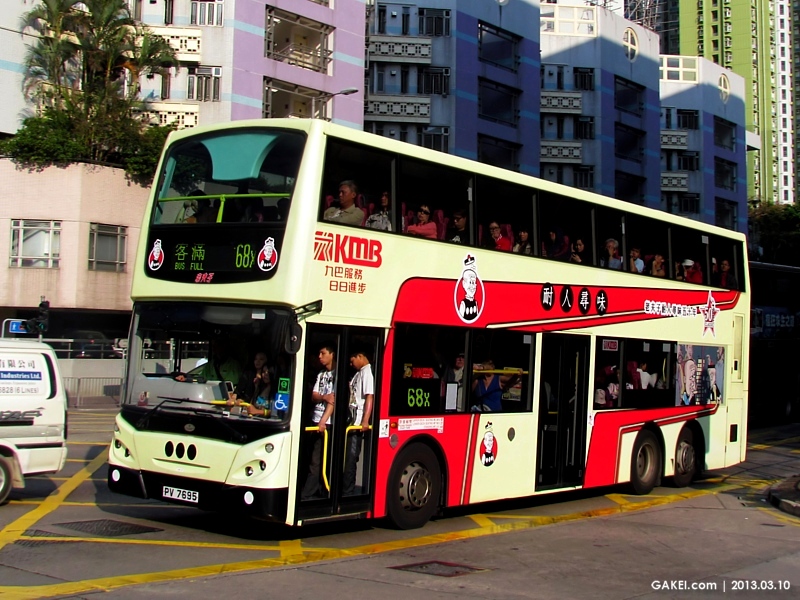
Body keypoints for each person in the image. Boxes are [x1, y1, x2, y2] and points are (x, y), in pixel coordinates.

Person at [301, 343, 336, 500]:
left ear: (332, 354)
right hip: (315, 420)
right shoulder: (321, 374)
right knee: (313, 457)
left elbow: (332, 402)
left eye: (323, 353)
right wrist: (323, 397)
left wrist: (323, 421)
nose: (319, 357)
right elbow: (314, 396)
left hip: (325, 424)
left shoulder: (337, 374)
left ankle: (308, 493)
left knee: (317, 460)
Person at [343, 349, 374, 496]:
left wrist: (365, 420)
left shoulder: (367, 372)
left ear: (360, 356)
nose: (351, 364)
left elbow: (369, 396)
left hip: (357, 422)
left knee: (351, 457)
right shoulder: (358, 373)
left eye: (352, 360)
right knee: (347, 457)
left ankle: (348, 491)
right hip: (351, 420)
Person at [176, 338, 241, 384]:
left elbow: (231, 383)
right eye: (213, 346)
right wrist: (186, 378)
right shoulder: (211, 364)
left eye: (217, 345)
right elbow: (201, 378)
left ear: (225, 347)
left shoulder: (233, 364)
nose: (214, 348)